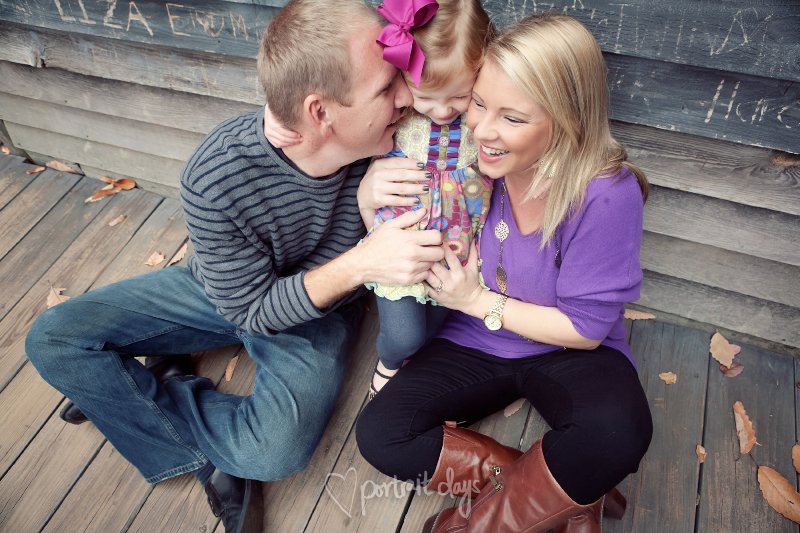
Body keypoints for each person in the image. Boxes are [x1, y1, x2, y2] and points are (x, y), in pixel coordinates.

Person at [24, 1, 444, 532]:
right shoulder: (216, 175)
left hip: (319, 314)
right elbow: (251, 310)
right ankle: (181, 424)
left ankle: (146, 392)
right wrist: (361, 260)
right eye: (386, 88)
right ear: (319, 113)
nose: (407, 97)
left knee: (272, 452)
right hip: (228, 293)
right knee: (54, 339)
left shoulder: (401, 140)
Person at [356, 13, 653, 533]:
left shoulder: (605, 192)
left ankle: (471, 526)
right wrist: (367, 198)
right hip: (472, 339)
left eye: (512, 118)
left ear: (567, 119)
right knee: (381, 432)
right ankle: (569, 493)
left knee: (617, 432)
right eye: (478, 102)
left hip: (566, 348)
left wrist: (476, 301)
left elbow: (585, 330)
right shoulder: (463, 160)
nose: (481, 129)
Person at [265, 0, 495, 399]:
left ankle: (417, 358)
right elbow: (327, 93)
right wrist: (274, 113)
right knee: (405, 334)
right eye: (426, 96)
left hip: (459, 241)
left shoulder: (483, 114)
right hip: (397, 240)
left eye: (460, 96)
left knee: (441, 315)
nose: (442, 111)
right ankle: (390, 361)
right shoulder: (400, 111)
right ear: (402, 78)